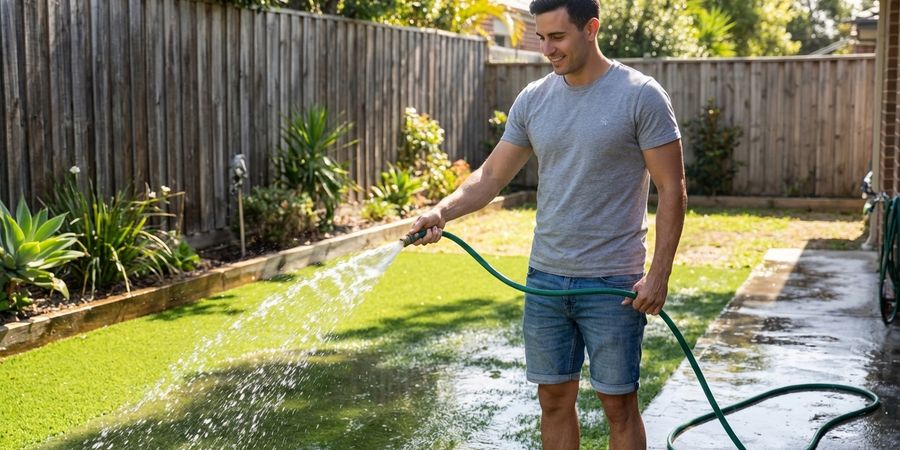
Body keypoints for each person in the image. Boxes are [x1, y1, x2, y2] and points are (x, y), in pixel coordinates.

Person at [408, 1, 686, 448]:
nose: (546, 49)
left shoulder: (640, 95)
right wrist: (442, 210)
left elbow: (672, 188)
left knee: (618, 406)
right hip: (545, 280)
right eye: (541, 37)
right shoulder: (534, 99)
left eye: (557, 37)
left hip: (613, 283)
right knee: (553, 400)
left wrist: (659, 274)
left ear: (591, 28)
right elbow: (491, 175)